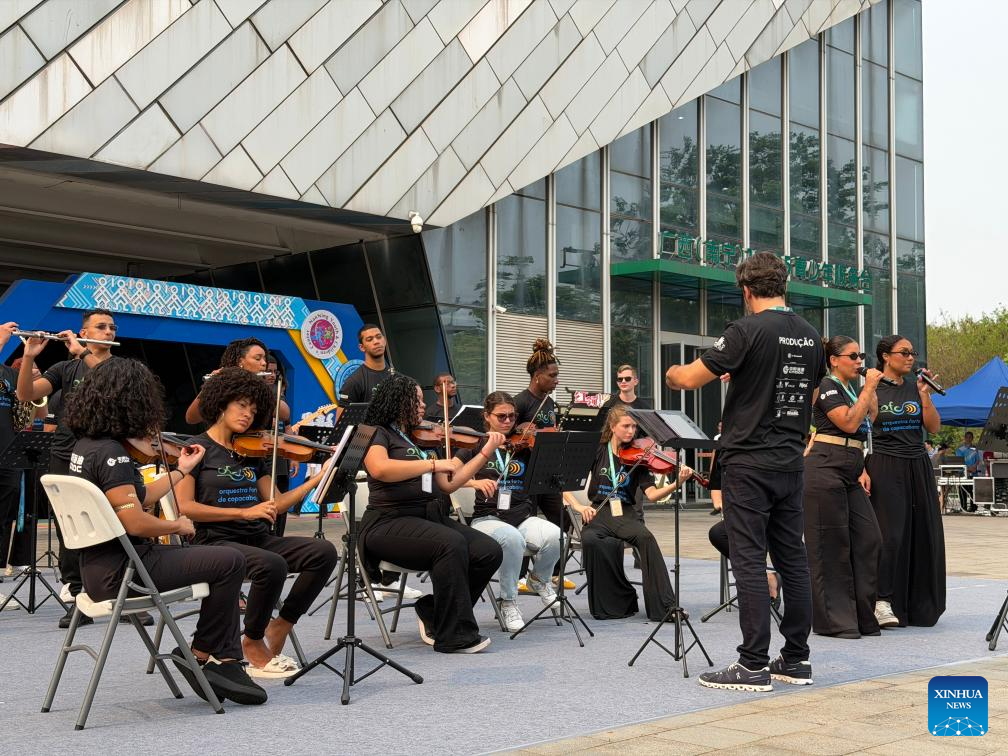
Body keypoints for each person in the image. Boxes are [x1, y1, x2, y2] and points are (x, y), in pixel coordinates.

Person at [62, 357, 266, 705]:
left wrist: (182, 470)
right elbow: (135, 522)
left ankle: (227, 660)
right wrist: (177, 524)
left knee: (222, 559)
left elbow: (136, 496)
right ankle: (201, 654)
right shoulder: (113, 454)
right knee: (230, 560)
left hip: (96, 569)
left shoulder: (87, 447)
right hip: (124, 572)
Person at [665, 252, 824, 692]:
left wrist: (672, 371)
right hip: (790, 461)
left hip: (748, 462)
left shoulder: (745, 329)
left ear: (747, 290)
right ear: (784, 286)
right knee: (793, 559)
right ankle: (796, 659)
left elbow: (688, 379)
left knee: (749, 559)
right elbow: (808, 395)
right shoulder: (811, 335)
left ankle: (752, 664)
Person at [175, 367, 338, 678]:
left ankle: (281, 625)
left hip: (256, 538)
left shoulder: (252, 452)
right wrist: (243, 513)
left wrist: (316, 479)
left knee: (324, 552)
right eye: (241, 405)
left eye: (253, 409)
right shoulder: (196, 448)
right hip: (216, 542)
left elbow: (275, 503)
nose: (248, 414)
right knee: (271, 564)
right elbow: (186, 507)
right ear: (221, 404)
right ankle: (252, 640)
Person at [359, 373, 504, 653]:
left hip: (427, 518)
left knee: (488, 550)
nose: (424, 405)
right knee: (450, 543)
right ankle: (454, 636)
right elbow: (380, 469)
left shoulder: (421, 437)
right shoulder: (377, 432)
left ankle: (434, 610)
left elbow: (448, 484)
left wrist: (485, 450)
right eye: (417, 400)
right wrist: (433, 465)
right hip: (388, 522)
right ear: (398, 401)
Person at [16, 309, 120, 628]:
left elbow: (111, 387)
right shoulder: (65, 368)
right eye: (100, 327)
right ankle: (77, 597)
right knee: (70, 527)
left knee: (114, 522)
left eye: (112, 327)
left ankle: (119, 594)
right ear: (84, 331)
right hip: (65, 452)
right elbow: (26, 394)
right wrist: (29, 355)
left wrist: (83, 352)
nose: (109, 331)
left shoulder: (121, 367)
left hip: (106, 451)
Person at [564, 405, 693, 621]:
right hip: (599, 511)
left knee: (646, 538)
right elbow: (564, 483)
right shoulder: (597, 450)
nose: (631, 431)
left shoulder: (640, 457)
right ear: (612, 426)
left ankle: (665, 607)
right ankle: (618, 600)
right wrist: (579, 507)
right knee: (591, 539)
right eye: (626, 426)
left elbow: (652, 495)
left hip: (625, 513)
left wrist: (677, 483)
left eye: (634, 426)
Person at [456, 391, 561, 631]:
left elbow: (548, 475)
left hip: (521, 517)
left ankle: (538, 579)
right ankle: (508, 601)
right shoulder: (477, 444)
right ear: (487, 416)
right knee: (512, 539)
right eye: (501, 416)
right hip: (488, 518)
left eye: (512, 416)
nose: (508, 421)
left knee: (557, 536)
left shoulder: (523, 445)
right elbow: (450, 475)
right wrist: (474, 483)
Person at [803, 336, 883, 639]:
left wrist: (869, 390)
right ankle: (835, 621)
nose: (859, 361)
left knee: (869, 538)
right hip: (825, 464)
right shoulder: (827, 386)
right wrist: (869, 387)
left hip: (851, 465)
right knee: (831, 545)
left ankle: (862, 616)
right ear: (834, 360)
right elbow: (848, 423)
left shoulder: (851, 388)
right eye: (853, 356)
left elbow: (871, 417)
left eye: (861, 355)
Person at [867, 335, 945, 629]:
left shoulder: (916, 387)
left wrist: (925, 395)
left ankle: (919, 603)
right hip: (885, 463)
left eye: (913, 352)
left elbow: (933, 428)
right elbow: (860, 428)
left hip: (918, 463)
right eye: (904, 352)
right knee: (891, 534)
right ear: (886, 356)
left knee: (924, 531)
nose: (911, 357)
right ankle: (882, 600)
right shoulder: (873, 387)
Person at [185, 337, 289, 426]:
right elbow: (191, 418)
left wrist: (261, 388)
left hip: (256, 442)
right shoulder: (223, 384)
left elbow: (285, 414)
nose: (264, 363)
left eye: (265, 359)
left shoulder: (264, 388)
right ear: (240, 361)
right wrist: (211, 385)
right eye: (258, 359)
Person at [341, 324, 393, 403]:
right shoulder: (354, 381)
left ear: (385, 341)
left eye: (379, 337)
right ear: (362, 347)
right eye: (370, 339)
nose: (376, 342)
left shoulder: (395, 376)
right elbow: (342, 411)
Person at [955, 432, 982, 512]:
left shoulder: (975, 449)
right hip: (963, 473)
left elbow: (978, 460)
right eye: (967, 437)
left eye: (970, 437)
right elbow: (959, 461)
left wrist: (974, 467)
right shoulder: (960, 449)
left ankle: (973, 507)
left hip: (974, 473)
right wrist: (968, 468)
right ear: (965, 438)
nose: (968, 439)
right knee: (963, 490)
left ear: (972, 438)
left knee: (973, 491)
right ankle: (963, 507)